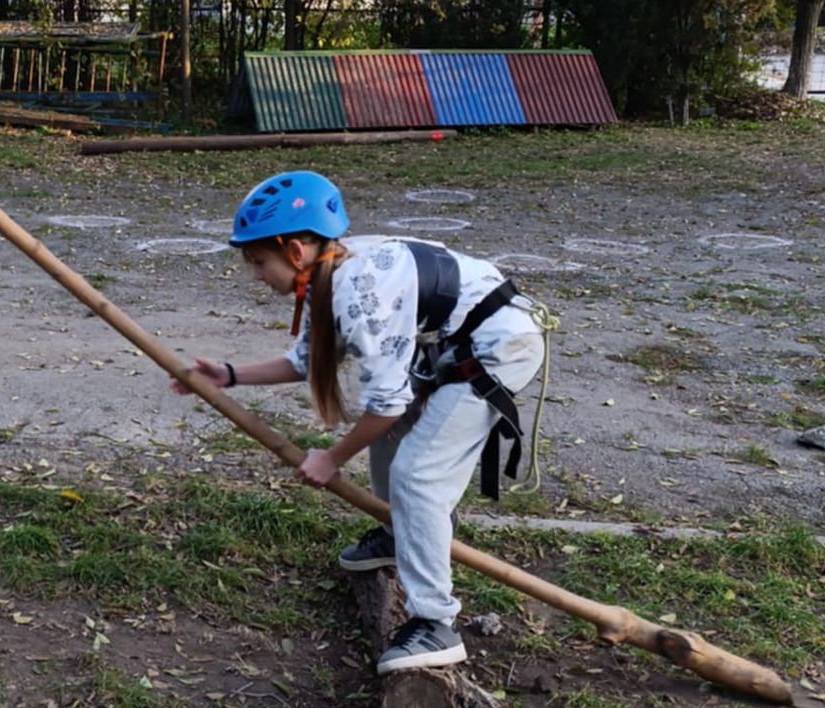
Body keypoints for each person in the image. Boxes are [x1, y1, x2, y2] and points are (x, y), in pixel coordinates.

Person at [170, 171, 546, 674]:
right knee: (398, 446)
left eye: (259, 262)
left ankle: (436, 622)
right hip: (454, 353)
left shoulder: (361, 289)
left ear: (296, 252)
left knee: (418, 477)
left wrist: (331, 458)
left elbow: (386, 404)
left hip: (495, 353)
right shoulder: (333, 272)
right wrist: (229, 375)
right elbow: (304, 361)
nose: (256, 275)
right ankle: (401, 533)